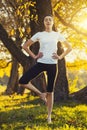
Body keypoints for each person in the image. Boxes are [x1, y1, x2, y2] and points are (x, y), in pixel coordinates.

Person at [19, 15, 72, 123]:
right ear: (44, 23)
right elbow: (25, 46)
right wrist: (34, 56)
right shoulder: (39, 35)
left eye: (50, 20)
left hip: (52, 64)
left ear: (52, 22)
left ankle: (49, 117)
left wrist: (60, 57)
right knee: (22, 81)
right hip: (41, 63)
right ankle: (40, 94)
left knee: (50, 91)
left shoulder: (57, 35)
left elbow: (69, 47)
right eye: (46, 20)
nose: (48, 21)